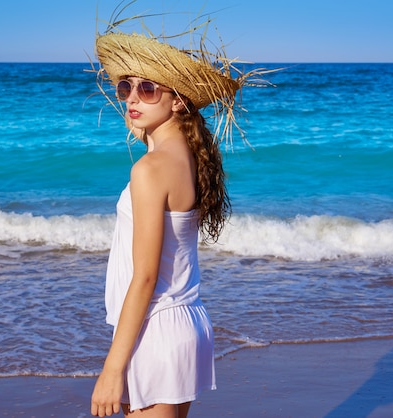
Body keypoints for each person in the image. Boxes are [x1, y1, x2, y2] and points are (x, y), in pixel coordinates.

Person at [90, 13, 256, 417]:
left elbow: (145, 276)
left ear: (178, 99)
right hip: (185, 323)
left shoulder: (150, 169)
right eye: (126, 86)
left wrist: (112, 369)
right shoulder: (189, 159)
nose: (131, 97)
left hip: (156, 329)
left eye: (148, 88)